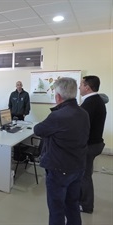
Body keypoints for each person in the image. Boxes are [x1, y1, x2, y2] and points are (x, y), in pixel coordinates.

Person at [34, 77, 90, 225]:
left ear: (58, 97)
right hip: (78, 167)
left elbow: (38, 129)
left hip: (59, 169)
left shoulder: (58, 116)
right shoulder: (83, 113)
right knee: (72, 205)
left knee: (56, 209)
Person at [79, 75, 107, 214]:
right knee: (85, 173)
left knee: (84, 176)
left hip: (89, 146)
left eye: (81, 84)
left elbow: (81, 126)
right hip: (96, 143)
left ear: (87, 87)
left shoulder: (90, 104)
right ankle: (81, 200)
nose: (79, 87)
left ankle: (86, 205)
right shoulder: (97, 100)